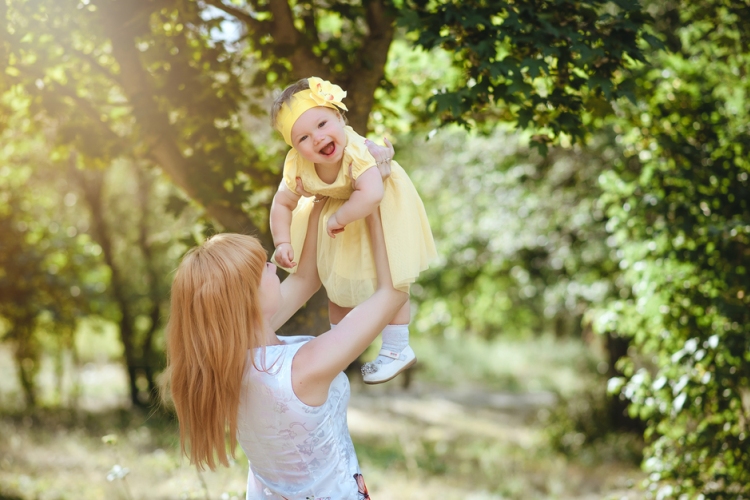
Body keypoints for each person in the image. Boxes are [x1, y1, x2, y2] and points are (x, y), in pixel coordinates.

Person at [163, 195, 405, 499]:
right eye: (262, 266)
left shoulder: (225, 360)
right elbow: (393, 292)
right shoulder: (304, 366)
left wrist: (320, 207)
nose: (272, 266)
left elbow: (305, 278)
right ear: (249, 299)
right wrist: (372, 208)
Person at [269, 76, 436, 384]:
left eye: (321, 125)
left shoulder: (357, 151)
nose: (317, 138)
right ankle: (339, 349)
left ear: (339, 117)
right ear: (294, 148)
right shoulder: (297, 166)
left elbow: (372, 194)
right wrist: (282, 241)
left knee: (393, 277)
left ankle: (397, 348)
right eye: (303, 138)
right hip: (340, 217)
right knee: (338, 286)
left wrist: (339, 218)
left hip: (378, 204)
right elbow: (282, 203)